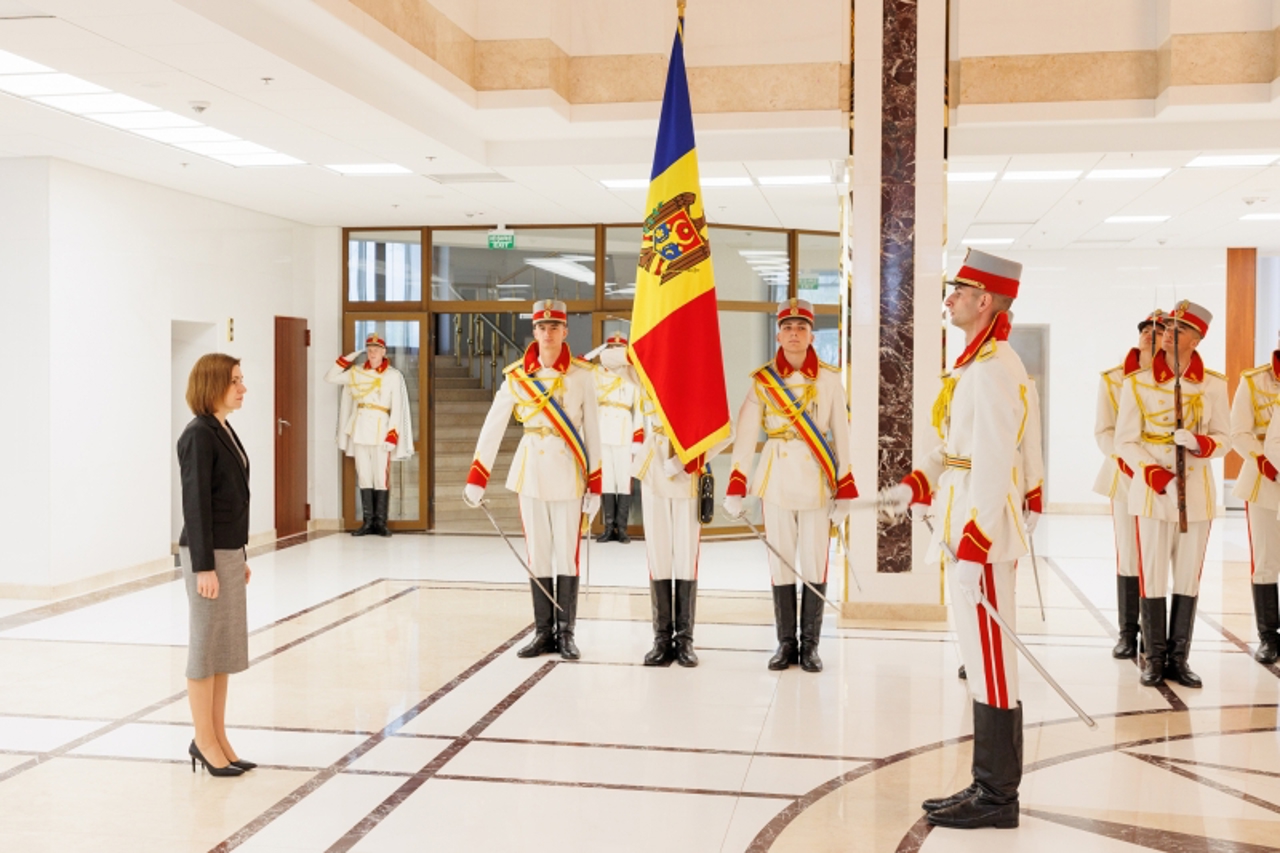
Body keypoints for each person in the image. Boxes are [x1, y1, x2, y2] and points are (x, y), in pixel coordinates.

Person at [882, 248, 1041, 830]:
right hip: (961, 530)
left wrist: (976, 544)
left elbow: (997, 464)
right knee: (978, 660)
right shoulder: (974, 365)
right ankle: (985, 782)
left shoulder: (997, 367)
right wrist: (916, 482)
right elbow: (957, 450)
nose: (948, 298)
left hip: (982, 539)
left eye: (959, 291)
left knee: (994, 665)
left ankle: (1000, 797)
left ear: (986, 301)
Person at [723, 298, 857, 673]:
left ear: (812, 333)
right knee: (781, 561)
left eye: (801, 327)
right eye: (788, 328)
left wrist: (845, 487)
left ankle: (811, 646)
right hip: (777, 478)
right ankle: (786, 643)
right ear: (778, 333)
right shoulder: (763, 380)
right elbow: (747, 435)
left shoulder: (830, 380)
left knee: (815, 561)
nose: (794, 334)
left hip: (816, 478)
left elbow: (843, 436)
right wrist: (737, 483)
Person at [463, 300, 603, 660]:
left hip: (570, 471)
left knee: (567, 558)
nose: (549, 333)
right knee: (538, 553)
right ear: (534, 332)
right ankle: (544, 633)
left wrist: (596, 483)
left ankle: (567, 633)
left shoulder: (583, 374)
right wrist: (478, 475)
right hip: (532, 472)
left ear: (565, 331)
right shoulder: (516, 377)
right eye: (542, 327)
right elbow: (493, 426)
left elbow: (594, 432)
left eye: (555, 327)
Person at [1115, 300, 1229, 689]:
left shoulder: (1214, 384)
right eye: (1165, 328)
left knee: (1187, 577)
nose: (1166, 334)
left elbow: (1225, 438)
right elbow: (1124, 441)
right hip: (1152, 492)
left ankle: (1179, 660)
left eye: (1178, 330)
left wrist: (1199, 442)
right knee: (1151, 575)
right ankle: (1154, 658)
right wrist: (1156, 474)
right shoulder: (1137, 383)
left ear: (1196, 340)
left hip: (1195, 492)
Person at [599, 346, 724, 667]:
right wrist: (639, 349)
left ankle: (684, 641)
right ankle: (660, 639)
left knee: (684, 558)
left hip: (686, 477)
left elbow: (724, 432)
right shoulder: (645, 373)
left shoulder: (701, 379)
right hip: (654, 473)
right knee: (658, 557)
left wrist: (688, 461)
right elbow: (604, 359)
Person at [177, 353, 254, 778]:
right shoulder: (198, 435)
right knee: (204, 648)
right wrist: (205, 566)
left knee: (223, 649)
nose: (243, 388)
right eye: (236, 381)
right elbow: (196, 506)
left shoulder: (222, 428)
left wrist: (238, 556)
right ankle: (202, 740)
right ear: (213, 385)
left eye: (242, 380)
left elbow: (231, 501)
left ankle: (219, 737)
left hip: (226, 552)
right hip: (205, 556)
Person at [1094, 311, 1166, 659]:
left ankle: (1155, 639)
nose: (1152, 336)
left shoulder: (1175, 381)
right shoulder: (1114, 379)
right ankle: (1127, 633)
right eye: (1146, 331)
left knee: (1155, 558)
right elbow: (1104, 431)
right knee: (1128, 554)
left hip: (1163, 479)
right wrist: (1124, 461)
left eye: (1160, 331)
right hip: (1125, 477)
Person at [325, 333, 415, 537]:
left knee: (380, 478)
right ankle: (368, 523)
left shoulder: (393, 376)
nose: (372, 353)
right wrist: (347, 358)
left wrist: (393, 434)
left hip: (381, 430)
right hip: (359, 430)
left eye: (376, 349)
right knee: (364, 476)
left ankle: (381, 523)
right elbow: (330, 377)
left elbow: (398, 408)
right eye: (369, 349)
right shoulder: (356, 372)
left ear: (384, 352)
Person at [1233, 337, 1280, 665]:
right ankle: (1269, 637)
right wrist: (1262, 460)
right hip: (1265, 481)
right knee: (1265, 559)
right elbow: (1239, 431)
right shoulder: (1254, 381)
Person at [594, 332, 643, 544]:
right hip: (603, 431)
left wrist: (638, 438)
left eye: (618, 350)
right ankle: (608, 527)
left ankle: (622, 529)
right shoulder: (595, 374)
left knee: (623, 481)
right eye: (611, 349)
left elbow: (640, 410)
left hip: (624, 432)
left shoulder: (632, 375)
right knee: (606, 481)